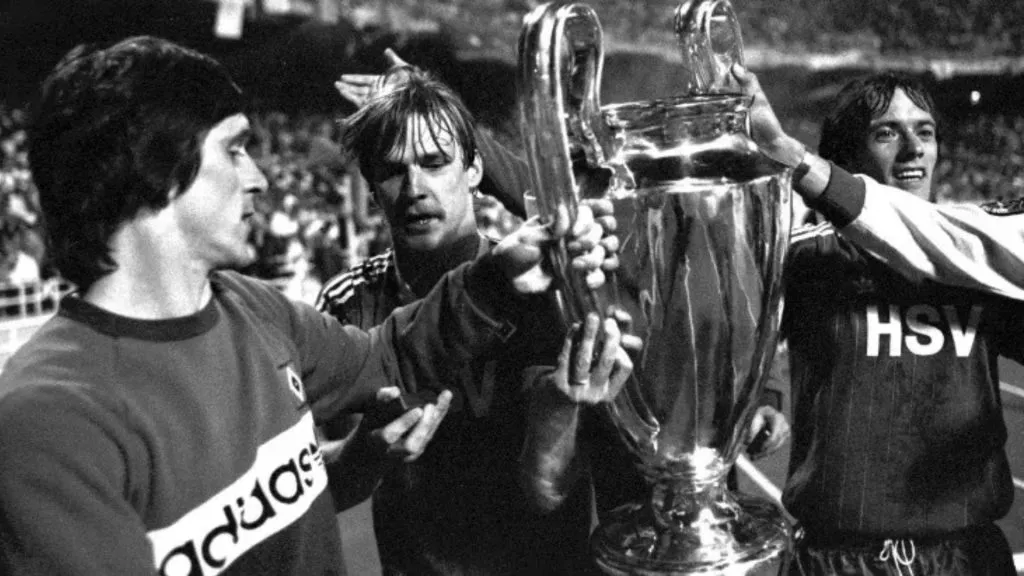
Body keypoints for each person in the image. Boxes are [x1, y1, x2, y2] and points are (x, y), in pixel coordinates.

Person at [0, 36, 616, 575]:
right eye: (235, 149)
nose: (260, 178)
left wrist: (496, 281)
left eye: (436, 163)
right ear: (162, 173)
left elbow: (387, 357)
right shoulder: (50, 421)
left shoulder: (255, 310)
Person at [316, 61, 632, 576]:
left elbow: (546, 491)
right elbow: (321, 485)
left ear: (475, 171)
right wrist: (362, 453)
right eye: (394, 170)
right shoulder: (349, 302)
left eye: (435, 162)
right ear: (372, 187)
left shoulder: (543, 293)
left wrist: (556, 410)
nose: (415, 186)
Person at [734, 67, 1024, 574]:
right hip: (841, 560)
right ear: (846, 158)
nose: (914, 148)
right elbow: (748, 344)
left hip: (967, 557)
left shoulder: (980, 257)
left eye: (926, 131)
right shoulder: (803, 257)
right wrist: (767, 399)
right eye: (887, 132)